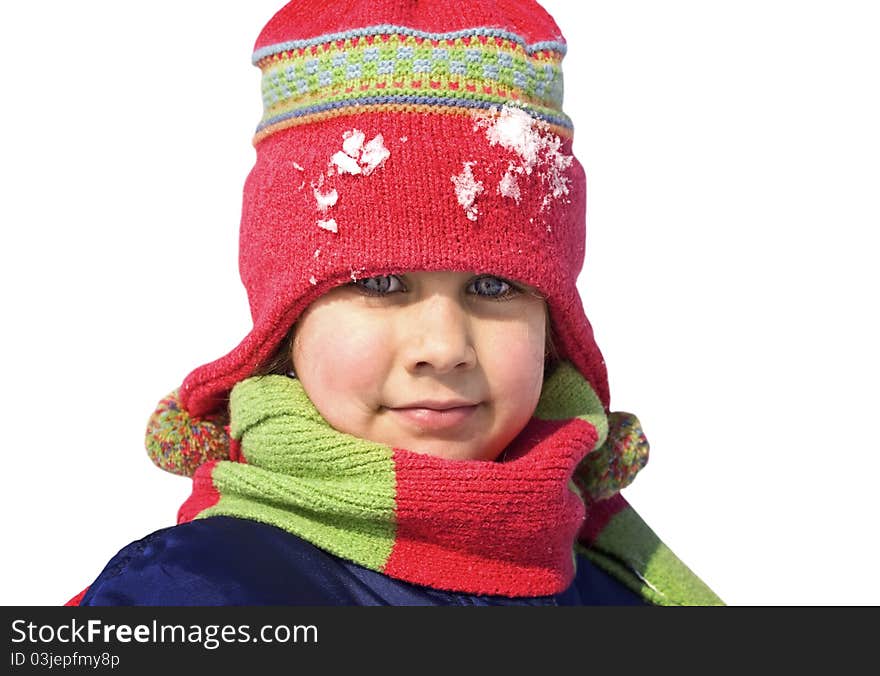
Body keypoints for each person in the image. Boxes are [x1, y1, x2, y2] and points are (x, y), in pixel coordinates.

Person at [66, 0, 722, 606]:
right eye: (380, 284)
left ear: (553, 327)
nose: (442, 348)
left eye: (494, 286)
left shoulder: (620, 586)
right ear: (285, 323)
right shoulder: (195, 595)